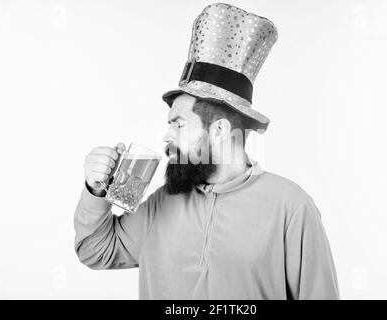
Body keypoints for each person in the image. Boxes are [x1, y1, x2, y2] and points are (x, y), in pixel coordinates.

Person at [74, 3, 339, 299]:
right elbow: (94, 251)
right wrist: (95, 190)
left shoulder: (291, 206)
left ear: (219, 131)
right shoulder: (162, 203)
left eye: (179, 125)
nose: (167, 135)